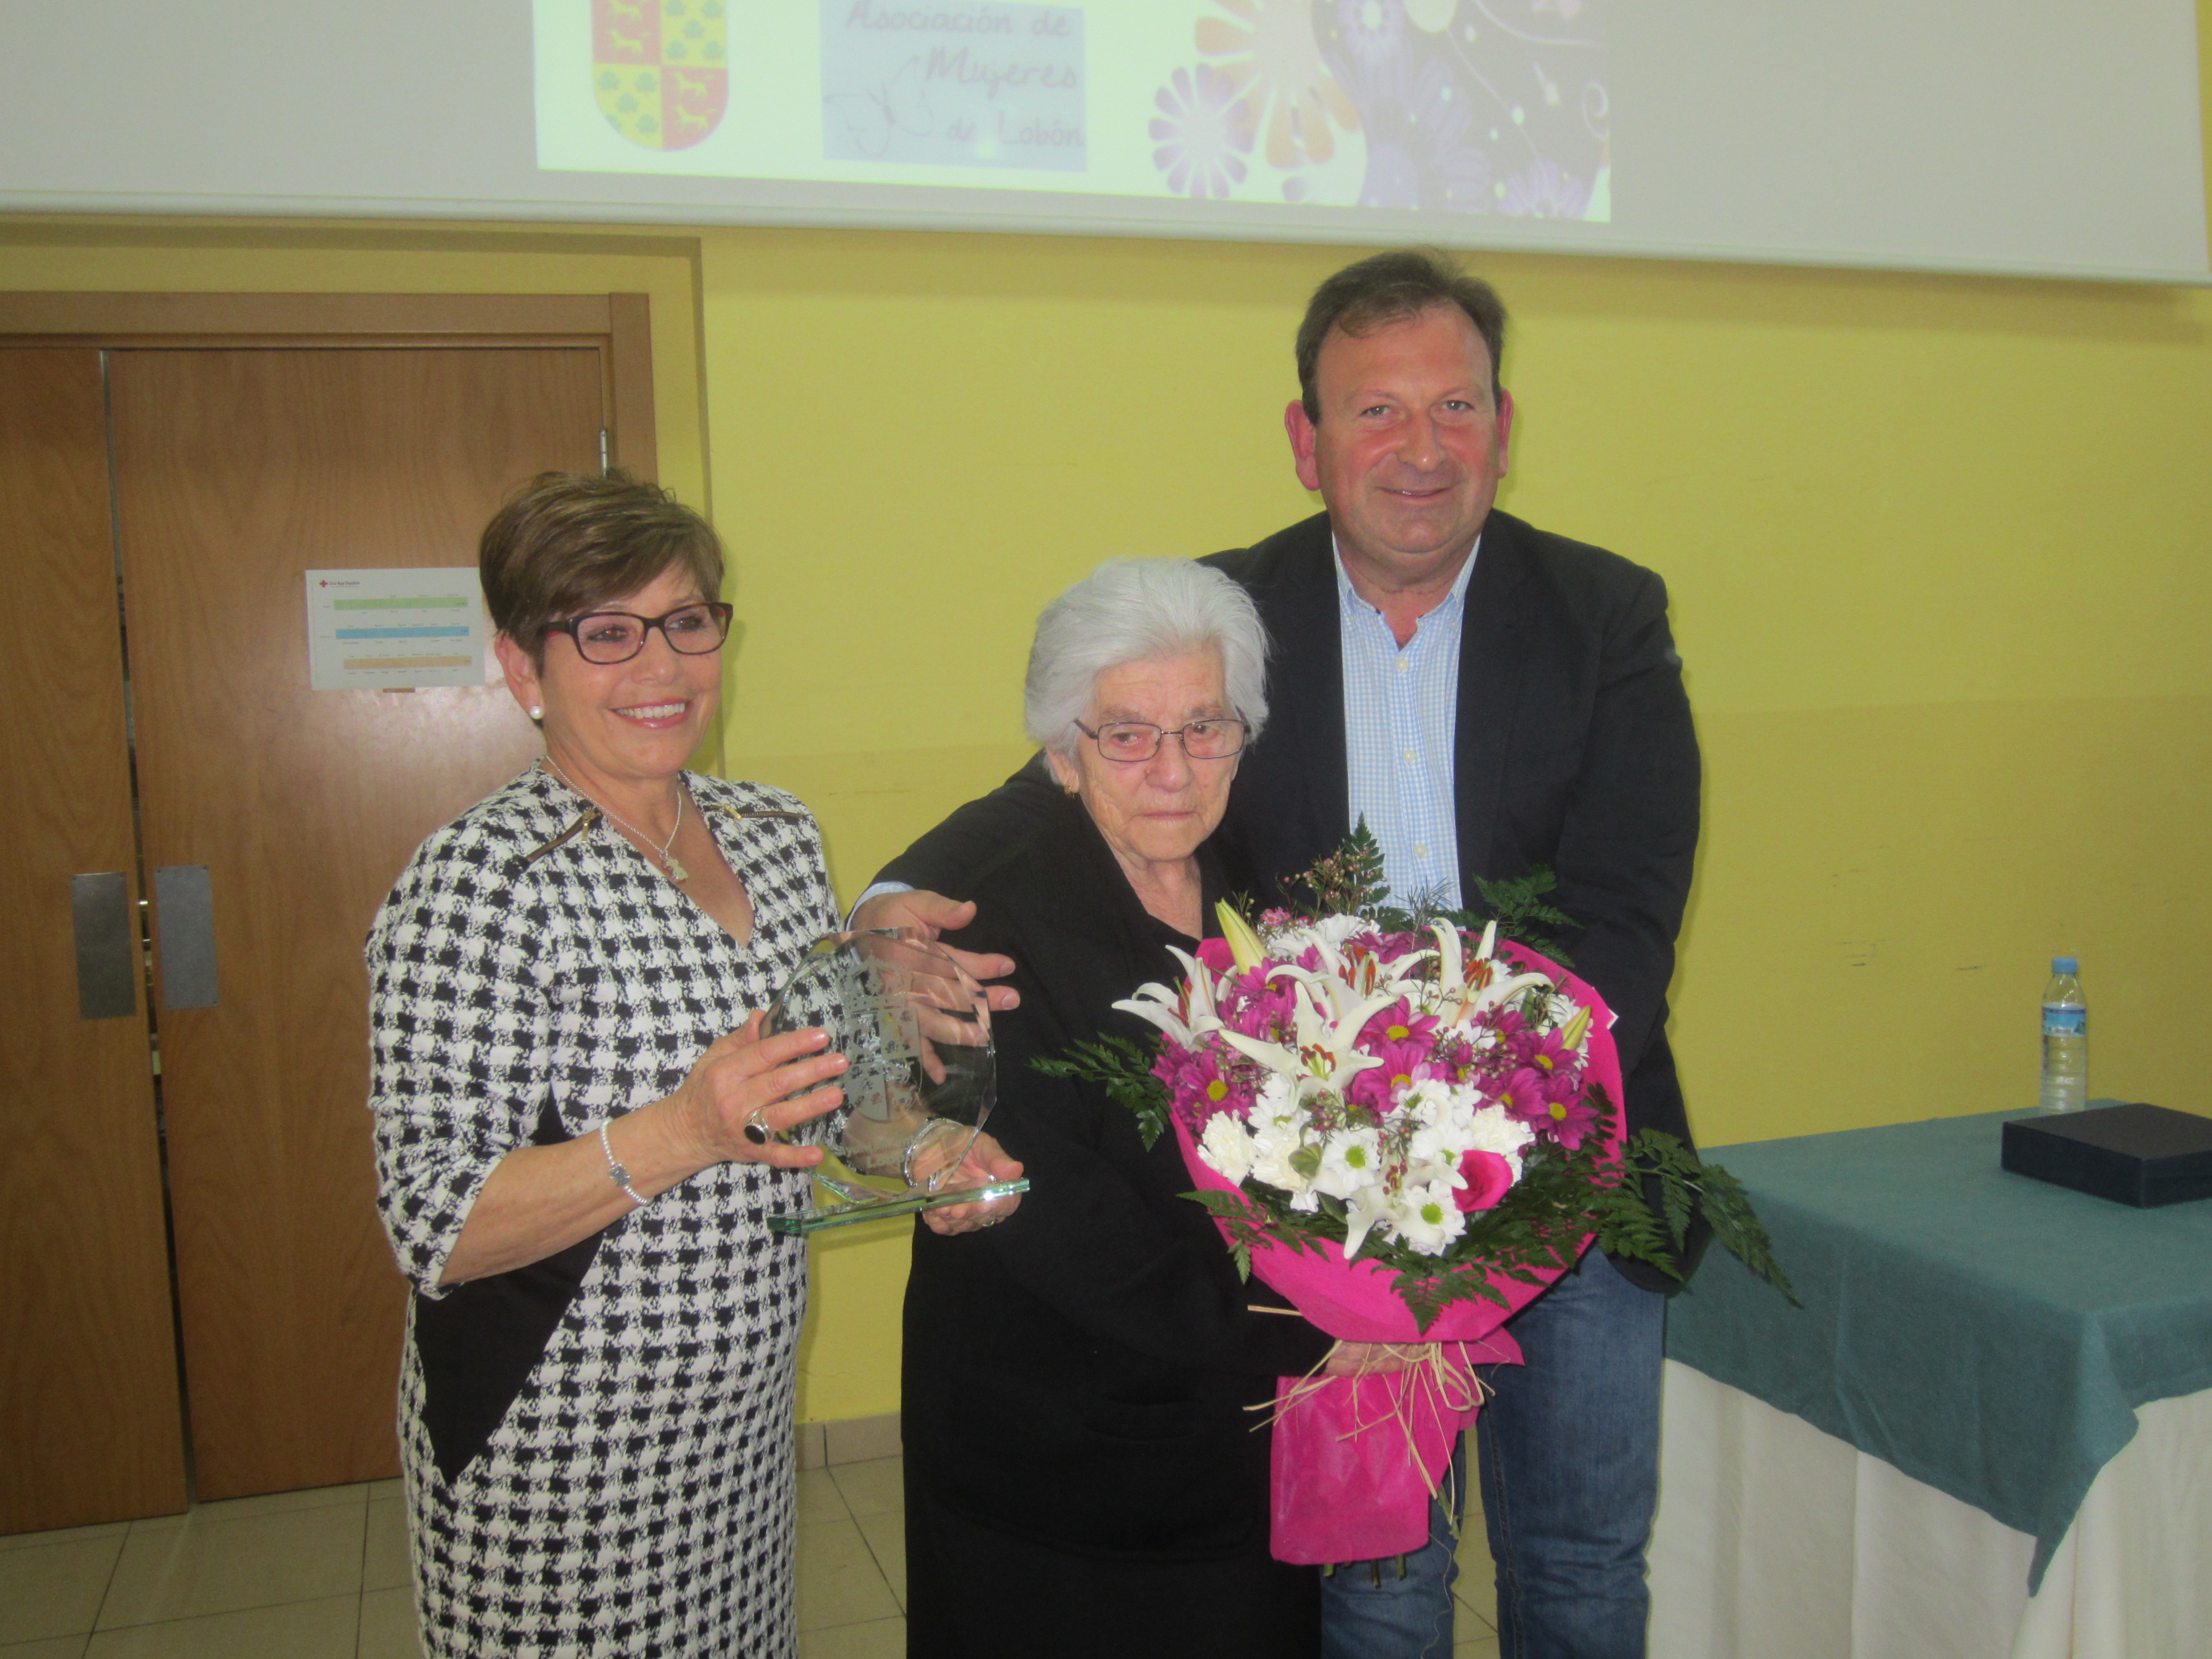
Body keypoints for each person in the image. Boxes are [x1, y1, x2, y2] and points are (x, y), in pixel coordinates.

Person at [864, 249, 1701, 1659]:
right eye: (1375, 412)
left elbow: (1624, 912)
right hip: (1322, 1199)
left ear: (1504, 422)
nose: (1420, 449)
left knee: (1575, 1568)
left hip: (1563, 1166)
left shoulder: (1603, 614)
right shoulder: (1220, 613)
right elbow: (1065, 770)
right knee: (1374, 1577)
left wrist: (1470, 1134)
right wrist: (894, 910)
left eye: (1455, 405)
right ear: (1305, 440)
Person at [365, 471, 1017, 1658]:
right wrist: (681, 1131)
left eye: (685, 622)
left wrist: (925, 1143)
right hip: (556, 1452)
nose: (659, 669)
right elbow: (434, 1226)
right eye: (605, 633)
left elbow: (834, 1099)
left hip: (737, 1423)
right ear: (522, 668)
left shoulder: (772, 833)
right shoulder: (477, 887)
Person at [899, 559, 1421, 1659]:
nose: (1172, 771)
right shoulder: (992, 929)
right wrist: (1317, 1330)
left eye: (1205, 727)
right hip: (1062, 1475)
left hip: (1233, 1452)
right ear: (1060, 750)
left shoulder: (1263, 892)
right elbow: (1050, 1216)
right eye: (1126, 735)